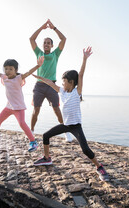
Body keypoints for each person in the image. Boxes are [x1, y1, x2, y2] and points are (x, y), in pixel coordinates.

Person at [33, 47, 110, 181]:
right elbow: (50, 83)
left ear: (71, 83)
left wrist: (84, 59)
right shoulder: (62, 92)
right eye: (62, 81)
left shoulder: (77, 92)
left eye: (64, 81)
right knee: (46, 136)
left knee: (85, 150)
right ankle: (47, 158)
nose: (62, 83)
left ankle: (99, 167)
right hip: (65, 125)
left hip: (76, 127)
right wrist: (39, 77)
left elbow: (80, 75)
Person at [0, 56, 45, 152]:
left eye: (10, 69)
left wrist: (38, 65)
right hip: (9, 107)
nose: (8, 71)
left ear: (16, 70)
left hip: (19, 108)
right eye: (6, 69)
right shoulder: (4, 77)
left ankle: (33, 142)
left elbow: (29, 72)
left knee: (22, 124)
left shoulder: (19, 78)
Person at [30, 19, 73, 142]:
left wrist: (54, 28)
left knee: (57, 109)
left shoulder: (55, 54)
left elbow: (63, 39)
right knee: (36, 110)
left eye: (48, 43)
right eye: (45, 43)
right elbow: (31, 39)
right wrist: (41, 28)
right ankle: (31, 132)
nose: (46, 44)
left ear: (52, 45)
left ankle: (66, 132)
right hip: (39, 86)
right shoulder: (38, 53)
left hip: (52, 86)